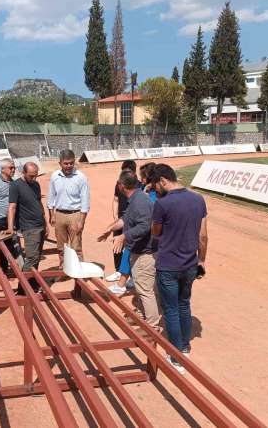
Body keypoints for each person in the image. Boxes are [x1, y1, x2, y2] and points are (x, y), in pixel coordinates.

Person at [151, 163, 208, 374]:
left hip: (168, 264)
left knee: (171, 309)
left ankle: (175, 354)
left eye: (157, 185)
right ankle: (185, 345)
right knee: (184, 304)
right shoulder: (198, 199)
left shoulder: (162, 204)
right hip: (190, 264)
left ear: (163, 180)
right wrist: (201, 260)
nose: (156, 189)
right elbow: (203, 236)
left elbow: (156, 232)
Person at [98, 171, 160, 329]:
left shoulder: (140, 201)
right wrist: (111, 229)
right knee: (140, 285)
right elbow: (126, 219)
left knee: (145, 290)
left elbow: (145, 226)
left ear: (121, 185)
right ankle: (141, 314)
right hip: (137, 251)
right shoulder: (135, 199)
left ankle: (152, 327)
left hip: (145, 253)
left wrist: (124, 236)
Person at [7, 162, 48, 294]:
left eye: (35, 176)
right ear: (23, 173)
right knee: (31, 257)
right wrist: (10, 227)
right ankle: (23, 289)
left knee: (36, 257)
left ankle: (33, 284)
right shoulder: (15, 185)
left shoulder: (35, 184)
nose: (34, 178)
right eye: (31, 176)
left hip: (40, 224)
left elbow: (39, 204)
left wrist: (45, 223)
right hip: (29, 227)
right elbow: (12, 207)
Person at [47, 149, 90, 267]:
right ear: (60, 163)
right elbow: (51, 197)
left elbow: (85, 201)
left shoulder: (81, 177)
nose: (69, 166)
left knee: (76, 246)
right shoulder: (54, 176)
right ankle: (64, 267)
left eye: (71, 163)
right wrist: (52, 215)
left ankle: (78, 270)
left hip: (75, 215)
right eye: (66, 163)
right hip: (59, 215)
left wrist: (81, 221)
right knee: (61, 246)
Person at [107, 159, 137, 282]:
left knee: (132, 247)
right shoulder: (118, 184)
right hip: (120, 220)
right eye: (123, 172)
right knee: (116, 245)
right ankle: (118, 271)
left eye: (128, 172)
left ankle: (131, 276)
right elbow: (115, 200)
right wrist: (115, 216)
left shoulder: (139, 185)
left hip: (133, 220)